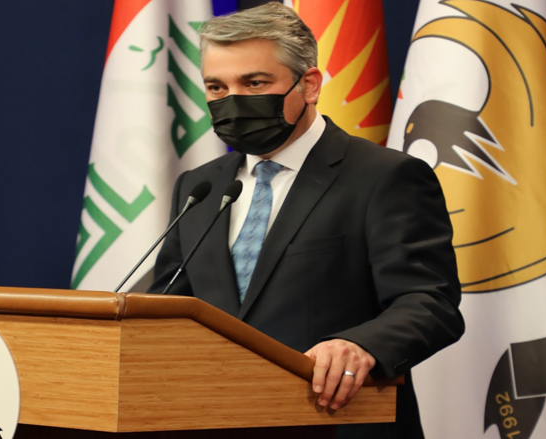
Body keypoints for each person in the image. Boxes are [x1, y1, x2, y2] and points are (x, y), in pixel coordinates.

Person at [148, 3, 464, 438]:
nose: (232, 100)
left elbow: (430, 303)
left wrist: (361, 345)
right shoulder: (199, 187)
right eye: (216, 87)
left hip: (335, 421)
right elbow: (165, 305)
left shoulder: (384, 177)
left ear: (310, 85)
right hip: (215, 421)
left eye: (254, 82)